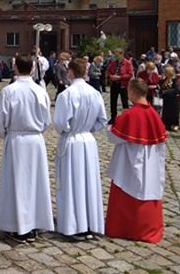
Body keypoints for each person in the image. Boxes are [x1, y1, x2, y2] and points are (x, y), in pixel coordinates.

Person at [0, 55, 54, 243]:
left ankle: (17, 225)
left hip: (16, 139)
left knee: (16, 182)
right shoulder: (40, 91)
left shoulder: (9, 91)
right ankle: (32, 222)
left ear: (16, 68)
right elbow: (46, 120)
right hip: (35, 140)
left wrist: (7, 134)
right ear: (33, 68)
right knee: (35, 181)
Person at [105, 78, 167, 243]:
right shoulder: (154, 114)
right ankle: (148, 229)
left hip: (129, 162)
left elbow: (114, 137)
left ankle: (123, 228)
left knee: (127, 187)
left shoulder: (130, 114)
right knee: (148, 187)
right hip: (151, 162)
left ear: (132, 92)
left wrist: (113, 125)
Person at [53, 59, 107, 240]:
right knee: (88, 182)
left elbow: (60, 123)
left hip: (73, 139)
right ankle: (90, 222)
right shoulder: (95, 93)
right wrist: (89, 129)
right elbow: (102, 120)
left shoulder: (67, 95)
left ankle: (74, 224)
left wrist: (71, 130)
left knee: (71, 182)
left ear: (69, 72)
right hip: (88, 140)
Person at [107, 48, 134, 124]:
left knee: (124, 102)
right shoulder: (113, 63)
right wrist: (111, 76)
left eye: (117, 54)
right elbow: (108, 71)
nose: (115, 56)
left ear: (121, 54)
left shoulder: (127, 63)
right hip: (114, 84)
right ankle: (113, 117)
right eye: (115, 55)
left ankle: (126, 118)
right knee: (113, 101)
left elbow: (130, 74)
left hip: (123, 85)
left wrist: (120, 77)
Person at [159, 66, 180, 131]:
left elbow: (177, 90)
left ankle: (174, 125)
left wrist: (166, 91)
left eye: (166, 72)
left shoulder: (175, 80)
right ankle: (166, 124)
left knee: (174, 113)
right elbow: (160, 87)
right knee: (166, 112)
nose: (164, 73)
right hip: (166, 99)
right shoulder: (164, 80)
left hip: (174, 99)